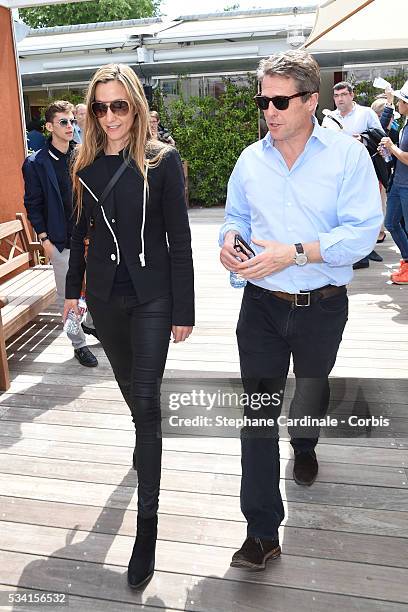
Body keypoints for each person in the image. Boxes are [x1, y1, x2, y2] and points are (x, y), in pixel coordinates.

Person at [219, 50, 382, 571]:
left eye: (280, 100)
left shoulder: (347, 157)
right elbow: (235, 217)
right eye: (263, 100)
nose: (269, 109)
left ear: (312, 101)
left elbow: (360, 234)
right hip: (261, 307)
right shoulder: (249, 160)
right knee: (257, 414)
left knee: (311, 386)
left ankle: (306, 440)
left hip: (322, 306)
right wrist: (229, 244)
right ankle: (262, 531)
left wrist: (292, 253)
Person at [63, 63, 194, 588]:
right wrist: (72, 293)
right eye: (101, 107)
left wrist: (184, 309)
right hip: (105, 299)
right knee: (133, 399)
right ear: (91, 112)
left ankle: (147, 526)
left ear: (136, 105)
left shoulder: (162, 161)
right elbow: (79, 233)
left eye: (120, 105)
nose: (111, 116)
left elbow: (180, 243)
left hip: (154, 296)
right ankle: (146, 446)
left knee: (145, 399)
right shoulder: (83, 162)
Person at [22, 100, 98, 368]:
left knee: (97, 287)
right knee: (68, 295)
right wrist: (44, 240)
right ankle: (78, 345)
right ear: (49, 126)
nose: (70, 126)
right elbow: (33, 204)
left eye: (72, 121)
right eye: (63, 122)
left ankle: (90, 324)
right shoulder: (36, 163)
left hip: (90, 237)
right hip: (60, 240)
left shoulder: (83, 154)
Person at [324, 81, 384, 268]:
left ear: (352, 95)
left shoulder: (366, 113)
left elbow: (380, 136)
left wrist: (362, 138)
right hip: (337, 170)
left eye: (343, 95)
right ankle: (353, 251)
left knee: (366, 208)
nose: (340, 99)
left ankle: (367, 248)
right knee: (343, 209)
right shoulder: (329, 117)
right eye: (336, 96)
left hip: (364, 168)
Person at [380, 80, 408, 284]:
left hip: (406, 186)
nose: (398, 103)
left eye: (400, 100)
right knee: (390, 222)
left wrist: (392, 147)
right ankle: (407, 261)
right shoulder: (405, 124)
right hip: (398, 183)